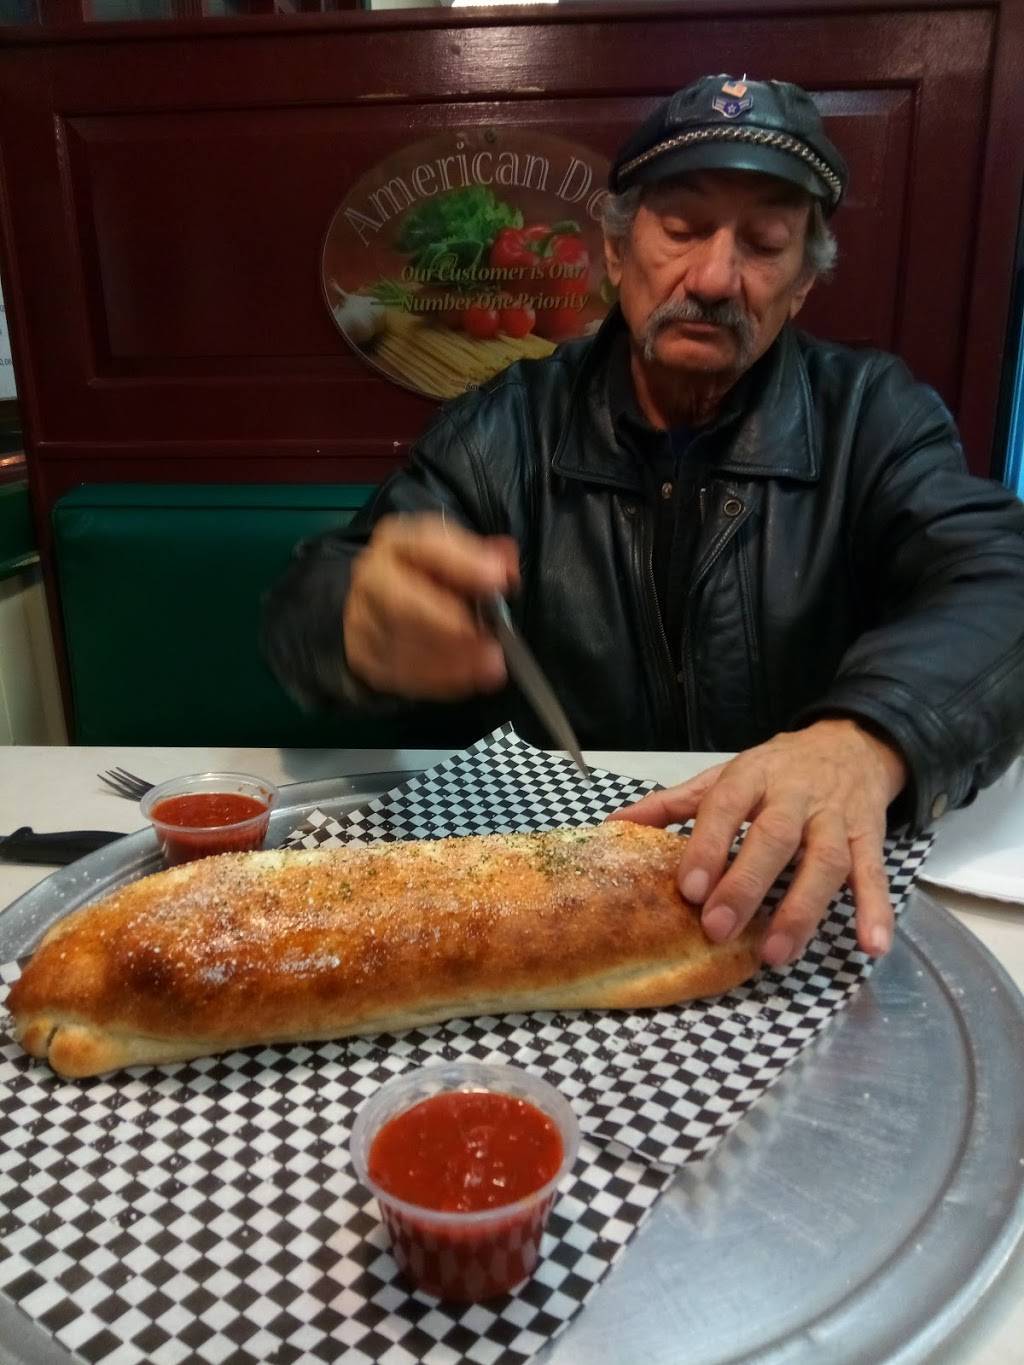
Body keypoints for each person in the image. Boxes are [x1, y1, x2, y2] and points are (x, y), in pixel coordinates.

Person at [263, 75, 1024, 971]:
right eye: (683, 228)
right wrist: (351, 620)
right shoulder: (505, 428)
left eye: (765, 243)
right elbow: (312, 604)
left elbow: (1001, 580)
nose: (714, 278)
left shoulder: (872, 417)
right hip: (551, 899)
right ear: (618, 254)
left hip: (786, 898)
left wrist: (866, 737)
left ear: (799, 288)